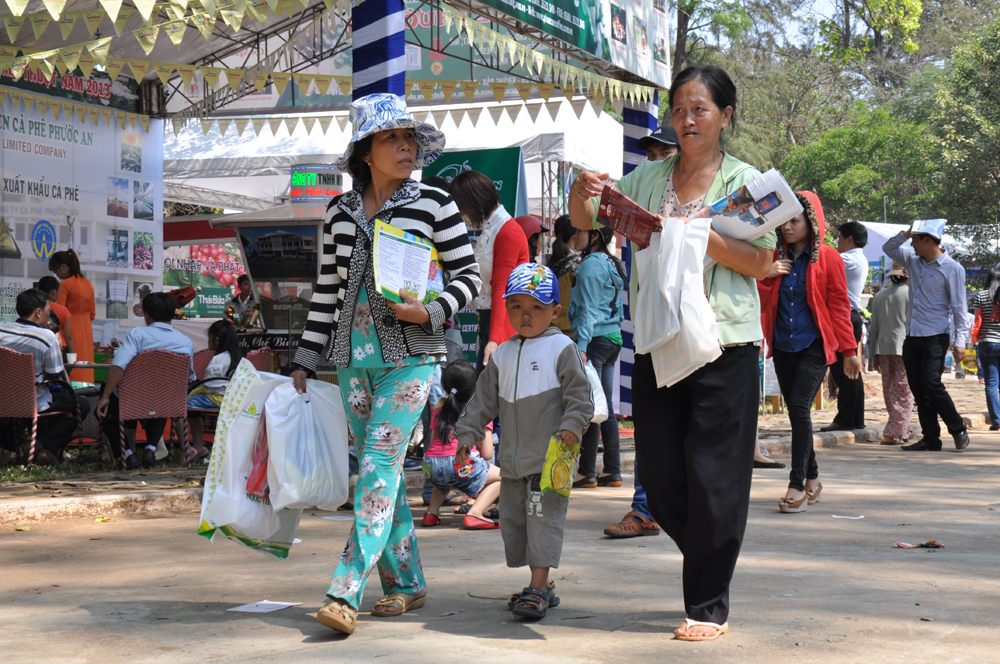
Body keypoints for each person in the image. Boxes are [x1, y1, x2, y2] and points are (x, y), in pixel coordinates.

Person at [569, 65, 774, 641]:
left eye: (700, 108)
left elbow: (762, 262)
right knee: (659, 478)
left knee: (715, 477)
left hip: (726, 342)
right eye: (680, 109)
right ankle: (712, 551)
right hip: (659, 340)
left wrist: (700, 231)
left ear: (725, 115)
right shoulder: (646, 178)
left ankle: (707, 603)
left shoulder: (743, 180)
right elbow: (589, 227)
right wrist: (579, 193)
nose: (687, 119)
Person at [289, 93, 480, 636]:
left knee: (375, 467)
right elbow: (326, 290)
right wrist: (306, 355)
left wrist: (432, 309)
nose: (406, 147)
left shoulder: (436, 204)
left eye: (410, 139)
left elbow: (469, 278)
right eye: (392, 139)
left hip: (413, 358)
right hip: (351, 362)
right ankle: (406, 584)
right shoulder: (339, 212)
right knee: (388, 478)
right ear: (365, 152)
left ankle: (344, 589)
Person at [455, 262, 593, 620]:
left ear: (555, 310)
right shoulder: (501, 355)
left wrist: (572, 426)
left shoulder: (562, 347)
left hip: (551, 459)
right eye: (516, 306)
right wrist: (467, 436)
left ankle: (537, 585)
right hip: (513, 462)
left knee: (543, 519)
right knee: (516, 523)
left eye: (536, 307)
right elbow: (482, 402)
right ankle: (542, 585)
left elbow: (580, 397)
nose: (525, 315)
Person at [758, 193, 860, 513]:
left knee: (800, 407)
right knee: (796, 412)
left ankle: (797, 483)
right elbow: (760, 297)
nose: (787, 227)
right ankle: (814, 479)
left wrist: (849, 350)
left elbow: (840, 307)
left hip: (815, 346)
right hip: (783, 346)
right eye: (783, 221)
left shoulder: (829, 257)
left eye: (795, 221)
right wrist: (769, 273)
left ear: (811, 223)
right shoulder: (773, 255)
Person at [602, 124, 681, 539]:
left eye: (662, 153)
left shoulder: (706, 197)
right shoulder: (639, 199)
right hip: (647, 327)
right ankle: (644, 507)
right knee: (650, 424)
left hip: (696, 329)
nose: (654, 161)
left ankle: (679, 508)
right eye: (648, 154)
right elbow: (588, 213)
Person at [883, 220, 971, 451]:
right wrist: (907, 232)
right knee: (919, 389)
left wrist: (960, 342)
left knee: (931, 383)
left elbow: (960, 309)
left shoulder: (953, 269)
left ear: (928, 241)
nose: (912, 245)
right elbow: (889, 248)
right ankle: (931, 438)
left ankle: (958, 428)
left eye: (915, 240)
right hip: (912, 335)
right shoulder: (913, 262)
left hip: (936, 336)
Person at [96, 292, 196, 470]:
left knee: (107, 409)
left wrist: (105, 396)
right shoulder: (185, 342)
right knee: (161, 402)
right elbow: (188, 375)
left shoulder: (138, 334)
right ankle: (150, 448)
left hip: (133, 397)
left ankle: (127, 453)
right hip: (166, 401)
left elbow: (118, 366)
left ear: (147, 314)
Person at [0, 289, 91, 465]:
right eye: (49, 310)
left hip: (4, 399)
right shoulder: (46, 337)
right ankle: (42, 447)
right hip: (33, 400)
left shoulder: (1, 328)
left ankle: (25, 447)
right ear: (38, 312)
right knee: (81, 405)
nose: (50, 314)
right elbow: (55, 376)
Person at [449, 170, 529, 370]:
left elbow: (502, 289)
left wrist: (494, 339)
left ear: (473, 202)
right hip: (490, 321)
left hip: (504, 324)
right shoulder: (493, 228)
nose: (461, 215)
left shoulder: (507, 231)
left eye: (461, 208)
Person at [569, 226, 625, 489]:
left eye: (580, 231)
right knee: (604, 409)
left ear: (595, 236)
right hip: (612, 339)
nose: (574, 236)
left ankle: (587, 471)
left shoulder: (591, 264)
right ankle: (612, 470)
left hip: (594, 341)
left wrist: (581, 345)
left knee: (592, 407)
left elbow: (589, 309)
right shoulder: (608, 261)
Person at [420, 360, 502, 529]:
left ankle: (431, 513)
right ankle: (475, 514)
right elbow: (487, 453)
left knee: (445, 475)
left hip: (431, 465)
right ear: (475, 386)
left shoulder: (439, 406)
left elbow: (434, 441)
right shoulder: (478, 411)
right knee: (506, 477)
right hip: (460, 464)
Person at [821, 222, 868, 431]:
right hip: (851, 316)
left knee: (842, 371)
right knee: (851, 370)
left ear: (849, 239)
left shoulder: (847, 259)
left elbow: (820, 263)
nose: (836, 242)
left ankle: (845, 418)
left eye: (839, 237)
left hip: (844, 317)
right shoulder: (856, 258)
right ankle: (856, 418)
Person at [183, 320, 242, 464]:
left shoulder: (218, 359)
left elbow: (210, 386)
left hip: (218, 397)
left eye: (208, 338)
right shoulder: (237, 356)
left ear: (216, 340)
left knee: (183, 405)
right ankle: (199, 447)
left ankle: (191, 446)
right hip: (233, 397)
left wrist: (193, 390)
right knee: (193, 404)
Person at [870, 261, 914, 444]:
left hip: (884, 348)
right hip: (905, 348)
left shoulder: (880, 296)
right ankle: (893, 432)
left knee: (890, 390)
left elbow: (874, 327)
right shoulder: (912, 295)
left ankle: (898, 429)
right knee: (904, 391)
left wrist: (873, 354)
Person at [48, 249, 95, 382]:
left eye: (55, 271)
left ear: (62, 267)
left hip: (70, 332)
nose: (57, 275)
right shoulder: (88, 284)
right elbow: (92, 314)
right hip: (86, 332)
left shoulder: (64, 285)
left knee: (72, 369)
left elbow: (59, 313)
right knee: (85, 369)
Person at [971, 266, 1000, 431]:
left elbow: (977, 320)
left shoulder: (981, 295)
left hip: (987, 342)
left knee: (991, 383)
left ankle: (996, 420)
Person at [546, 215, 582, 336]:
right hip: (569, 334)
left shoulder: (551, 262)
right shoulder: (579, 263)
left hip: (549, 330)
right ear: (575, 236)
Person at [38, 276, 74, 358]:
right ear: (54, 292)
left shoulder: (36, 308)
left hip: (40, 345)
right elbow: (69, 336)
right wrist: (71, 356)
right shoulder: (63, 310)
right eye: (59, 291)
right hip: (60, 348)